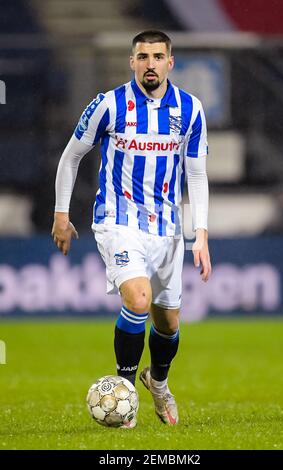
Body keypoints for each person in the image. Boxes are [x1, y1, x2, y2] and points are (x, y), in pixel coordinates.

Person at [52, 30, 212, 428]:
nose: (151, 64)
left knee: (168, 323)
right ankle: (123, 392)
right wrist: (61, 213)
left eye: (158, 56)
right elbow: (71, 158)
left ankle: (157, 383)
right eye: (143, 57)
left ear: (170, 62)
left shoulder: (190, 109)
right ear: (132, 61)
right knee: (138, 300)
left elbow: (197, 173)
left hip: (168, 228)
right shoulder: (108, 105)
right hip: (118, 220)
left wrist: (201, 233)